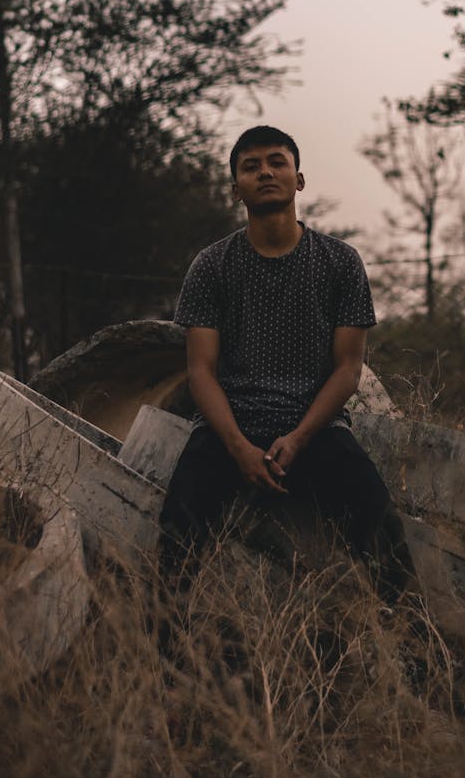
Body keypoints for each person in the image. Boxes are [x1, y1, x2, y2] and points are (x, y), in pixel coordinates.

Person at [159, 125, 412, 599]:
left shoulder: (340, 262)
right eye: (250, 167)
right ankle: (162, 653)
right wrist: (237, 447)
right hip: (227, 431)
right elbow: (201, 372)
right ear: (236, 189)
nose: (265, 172)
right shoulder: (211, 266)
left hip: (314, 429)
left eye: (277, 161)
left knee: (380, 523)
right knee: (177, 529)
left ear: (299, 179)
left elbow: (348, 370)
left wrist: (298, 439)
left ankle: (416, 649)